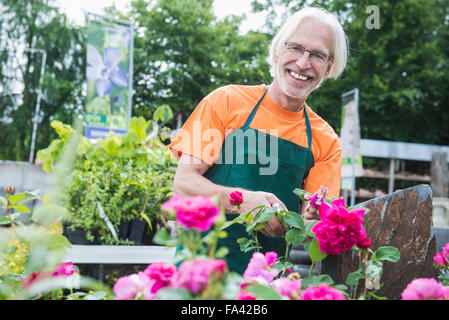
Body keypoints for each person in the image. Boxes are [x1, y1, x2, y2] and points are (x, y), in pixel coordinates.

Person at [168, 7, 348, 274]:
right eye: (295, 48)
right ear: (277, 51)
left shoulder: (326, 141)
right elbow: (183, 185)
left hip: (267, 282)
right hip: (201, 273)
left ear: (329, 67)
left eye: (318, 55)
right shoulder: (226, 102)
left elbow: (313, 228)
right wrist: (242, 203)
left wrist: (310, 224)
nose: (302, 63)